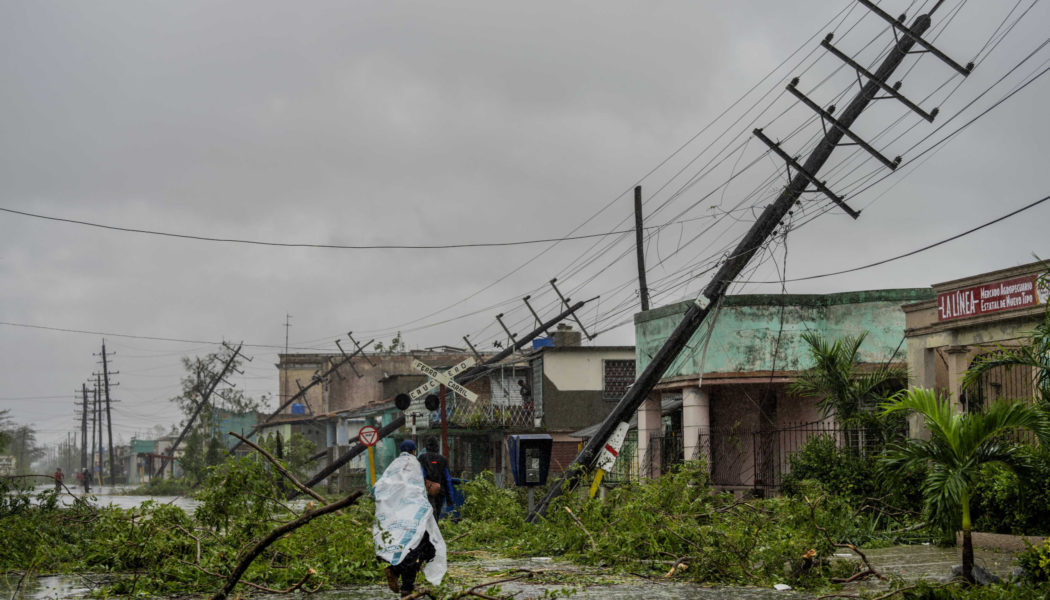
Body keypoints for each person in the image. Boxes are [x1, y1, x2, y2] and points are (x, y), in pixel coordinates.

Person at [373, 440, 446, 597]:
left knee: (414, 549)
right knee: (423, 548)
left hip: (397, 517)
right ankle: (402, 580)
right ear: (414, 451)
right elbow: (423, 485)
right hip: (414, 516)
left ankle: (403, 580)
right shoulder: (416, 465)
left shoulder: (393, 467)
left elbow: (378, 489)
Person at [417, 437, 452, 519]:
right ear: (437, 447)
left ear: (427, 447)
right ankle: (435, 526)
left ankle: (429, 527)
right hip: (439, 492)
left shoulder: (422, 458)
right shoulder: (443, 460)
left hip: (425, 492)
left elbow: (419, 475)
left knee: (427, 515)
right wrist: (449, 498)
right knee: (437, 513)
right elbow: (447, 479)